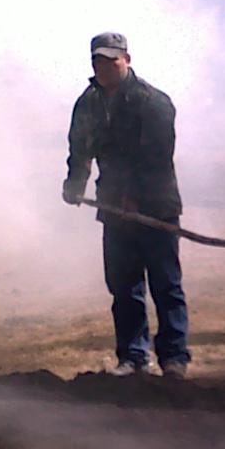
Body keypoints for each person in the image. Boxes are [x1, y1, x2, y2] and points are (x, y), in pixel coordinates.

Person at [62, 32, 190, 379]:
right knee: (124, 286)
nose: (103, 67)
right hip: (115, 210)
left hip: (156, 208)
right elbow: (80, 148)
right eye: (97, 61)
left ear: (127, 59)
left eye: (111, 60)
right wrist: (75, 184)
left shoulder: (153, 102)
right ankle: (134, 357)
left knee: (166, 283)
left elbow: (158, 157)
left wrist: (137, 196)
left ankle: (174, 357)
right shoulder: (89, 104)